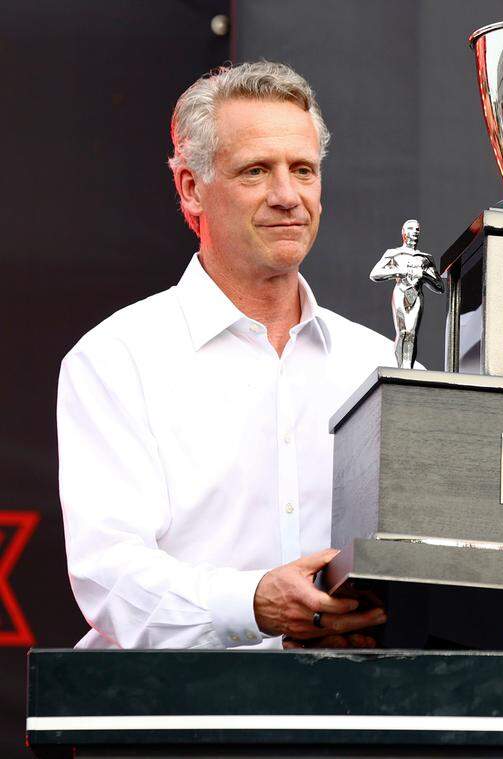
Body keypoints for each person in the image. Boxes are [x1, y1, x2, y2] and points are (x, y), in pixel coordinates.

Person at [57, 62, 396, 650]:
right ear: (191, 188)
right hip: (177, 724)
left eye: (303, 170)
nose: (287, 196)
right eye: (256, 171)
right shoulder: (116, 358)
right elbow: (110, 575)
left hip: (353, 718)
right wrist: (254, 603)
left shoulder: (380, 364)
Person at [369, 219, 443, 369]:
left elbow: (439, 286)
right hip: (401, 293)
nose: (415, 232)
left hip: (416, 295)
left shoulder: (425, 258)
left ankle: (408, 368)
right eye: (411, 229)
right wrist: (399, 272)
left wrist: (424, 274)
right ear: (403, 232)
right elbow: (375, 274)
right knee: (403, 331)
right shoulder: (394, 253)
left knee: (411, 332)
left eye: (417, 229)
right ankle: (402, 367)